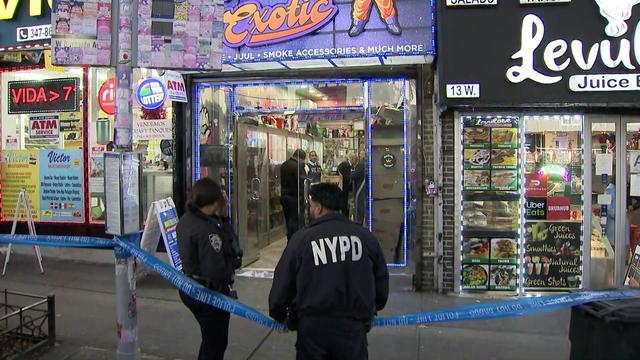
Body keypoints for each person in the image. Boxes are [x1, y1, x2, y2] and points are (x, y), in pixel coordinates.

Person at [269, 183, 389, 360]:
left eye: (311, 205)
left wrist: (280, 314)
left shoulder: (302, 240)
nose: (310, 209)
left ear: (318, 208)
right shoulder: (365, 238)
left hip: (313, 328)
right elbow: (380, 281)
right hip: (353, 327)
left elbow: (283, 282)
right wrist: (372, 308)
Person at [176, 178, 243, 360]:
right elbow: (215, 269)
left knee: (211, 340)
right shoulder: (207, 230)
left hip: (190, 287)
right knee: (216, 342)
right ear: (214, 202)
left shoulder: (187, 220)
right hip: (208, 292)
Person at [280, 149, 308, 240]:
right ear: (301, 158)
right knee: (295, 221)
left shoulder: (284, 165)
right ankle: (294, 239)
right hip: (295, 197)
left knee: (288, 219)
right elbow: (303, 182)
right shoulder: (298, 167)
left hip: (284, 196)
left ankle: (290, 238)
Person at [351, 150, 368, 225]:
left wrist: (351, 173)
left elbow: (353, 176)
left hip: (360, 190)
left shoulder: (361, 165)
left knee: (359, 211)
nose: (360, 156)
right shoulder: (364, 164)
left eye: (361, 155)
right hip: (362, 190)